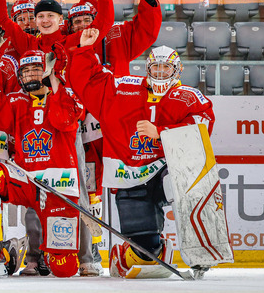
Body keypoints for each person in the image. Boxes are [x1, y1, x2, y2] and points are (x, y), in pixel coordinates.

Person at [68, 31, 215, 279]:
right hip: (131, 172)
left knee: (188, 190)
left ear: (177, 70)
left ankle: (200, 250)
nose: (159, 73)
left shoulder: (189, 97)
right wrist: (84, 49)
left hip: (168, 169)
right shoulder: (122, 88)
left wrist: (162, 132)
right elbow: (88, 81)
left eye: (165, 68)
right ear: (147, 68)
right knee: (146, 251)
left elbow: (203, 126)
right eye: (155, 67)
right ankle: (134, 253)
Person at [0, 33, 87, 278]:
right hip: (26, 179)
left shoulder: (65, 95)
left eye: (36, 70)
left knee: (64, 269)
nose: (30, 76)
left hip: (60, 184)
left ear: (47, 70)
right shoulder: (16, 101)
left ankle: (29, 250)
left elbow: (63, 120)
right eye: (26, 72)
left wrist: (54, 78)